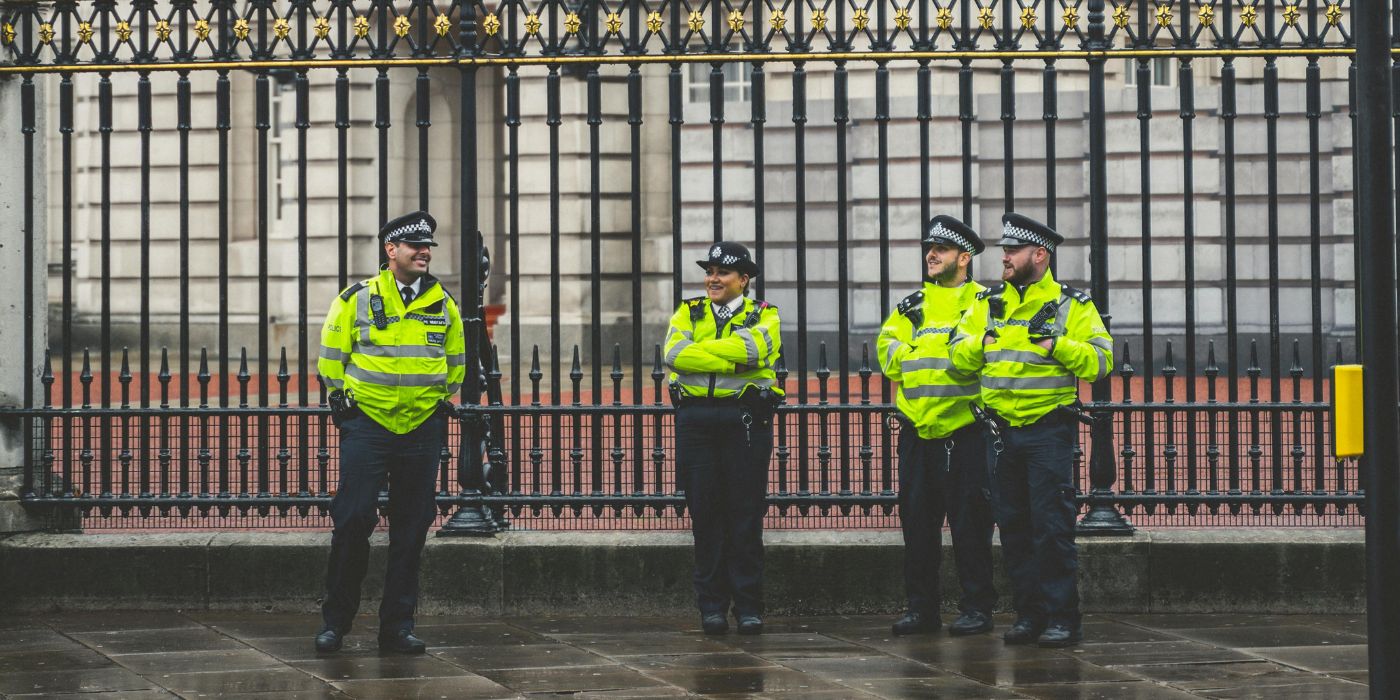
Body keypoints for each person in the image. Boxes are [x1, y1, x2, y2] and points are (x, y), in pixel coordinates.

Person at [947, 212, 1113, 648]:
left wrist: (1057, 344)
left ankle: (1063, 617)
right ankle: (1028, 616)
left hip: (1046, 433)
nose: (1004, 257)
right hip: (1000, 435)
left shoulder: (1070, 306)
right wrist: (978, 344)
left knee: (1052, 529)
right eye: (1004, 250)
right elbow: (957, 356)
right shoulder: (987, 304)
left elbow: (1100, 362)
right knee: (1015, 528)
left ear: (1039, 254)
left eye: (1013, 250)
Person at [313, 210, 466, 654]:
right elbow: (331, 356)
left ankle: (396, 628)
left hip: (421, 426)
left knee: (412, 528)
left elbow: (455, 365)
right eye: (416, 246)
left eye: (428, 247)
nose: (424, 253)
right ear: (391, 250)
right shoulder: (357, 298)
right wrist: (344, 402)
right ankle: (335, 623)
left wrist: (435, 400)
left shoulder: (443, 302)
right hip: (369, 425)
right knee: (353, 519)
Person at [876, 215, 997, 637]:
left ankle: (978, 608)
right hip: (917, 431)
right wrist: (936, 351)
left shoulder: (985, 302)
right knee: (917, 528)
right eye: (929, 248)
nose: (931, 254)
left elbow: (975, 359)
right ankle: (921, 610)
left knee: (971, 527)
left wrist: (918, 350)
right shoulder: (911, 305)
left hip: (965, 431)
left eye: (941, 249)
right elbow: (887, 356)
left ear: (964, 257)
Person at [663, 241, 783, 636]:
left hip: (744, 419)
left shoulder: (765, 314)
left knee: (745, 515)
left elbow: (758, 349)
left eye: (722, 272)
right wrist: (732, 356)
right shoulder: (689, 311)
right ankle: (711, 607)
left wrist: (703, 352)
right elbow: (675, 354)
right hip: (695, 419)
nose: (712, 279)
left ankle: (749, 606)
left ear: (743, 279)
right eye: (710, 271)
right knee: (705, 515)